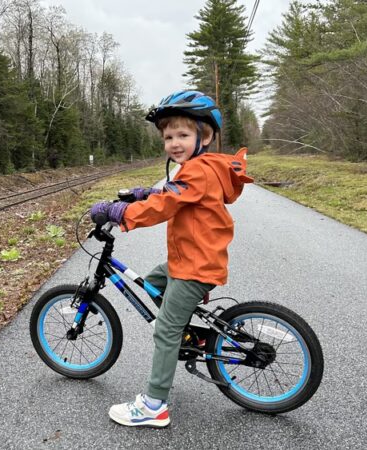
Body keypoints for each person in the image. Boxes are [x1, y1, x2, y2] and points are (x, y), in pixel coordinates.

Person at [90, 90, 253, 428]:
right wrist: (143, 192)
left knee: (164, 330)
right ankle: (185, 327)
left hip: (195, 266)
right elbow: (170, 193)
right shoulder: (195, 169)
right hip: (190, 259)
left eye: (183, 134)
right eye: (168, 136)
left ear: (203, 136)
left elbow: (166, 206)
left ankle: (153, 405)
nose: (174, 142)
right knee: (152, 280)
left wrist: (122, 212)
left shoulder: (197, 172)